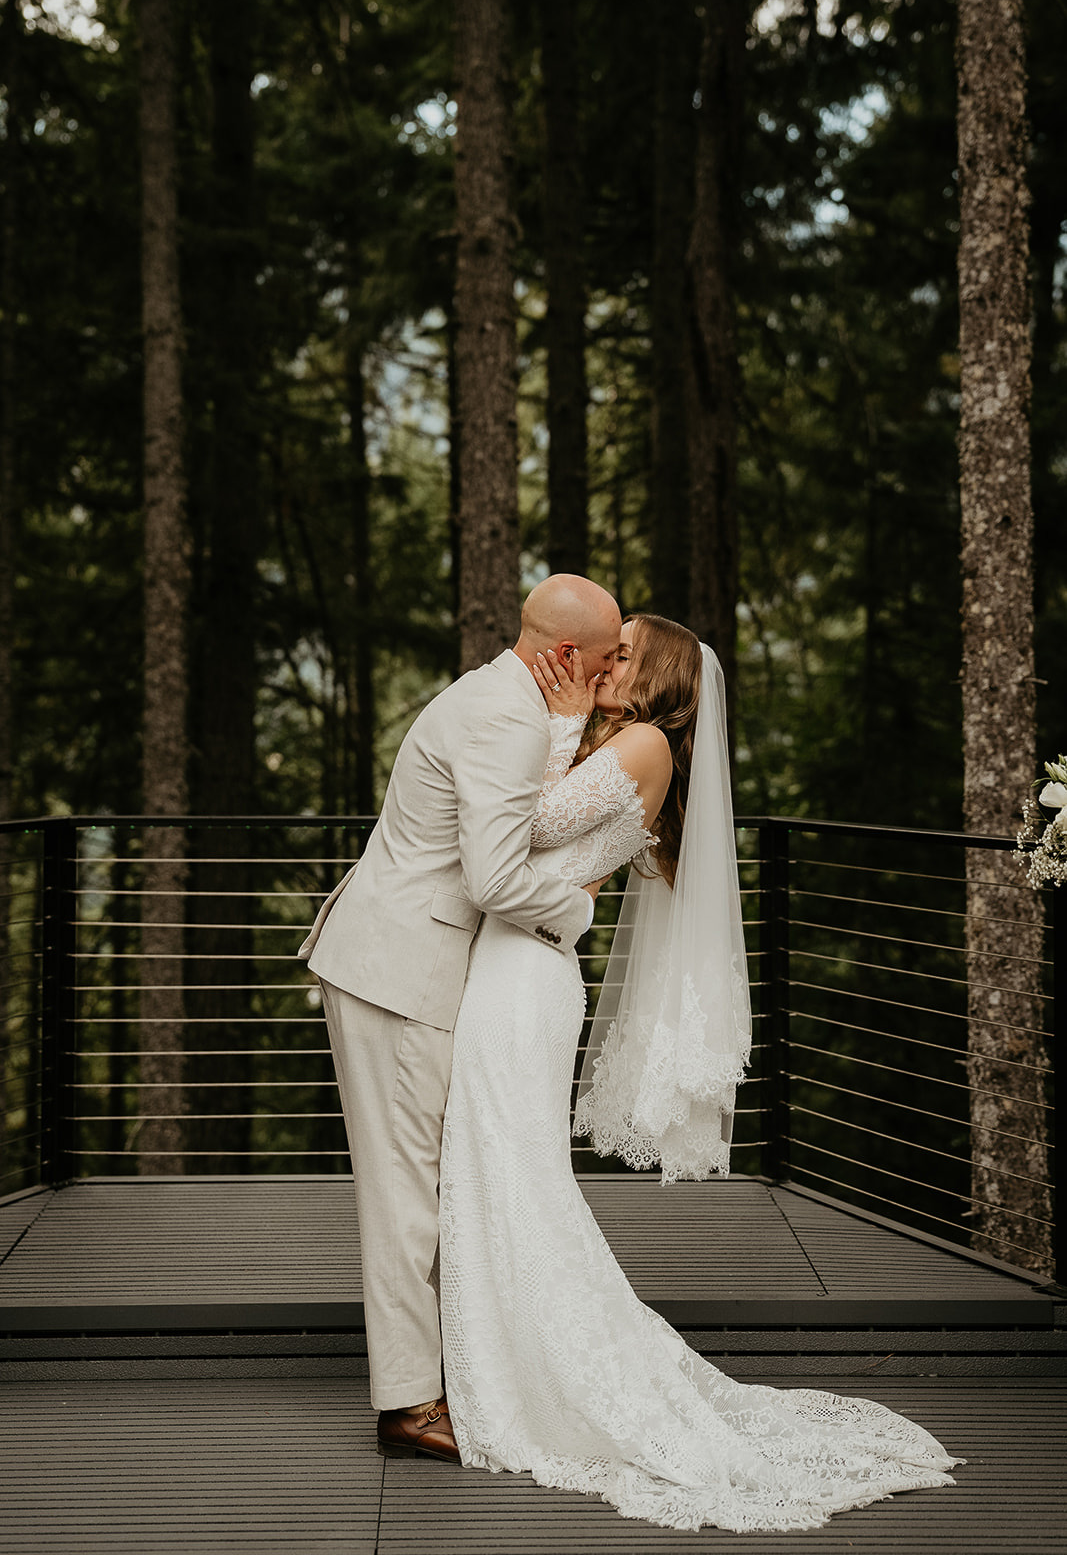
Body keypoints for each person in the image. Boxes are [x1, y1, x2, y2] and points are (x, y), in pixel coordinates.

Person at [438, 614, 962, 1534]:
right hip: (515, 965)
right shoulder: (628, 742)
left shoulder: (640, 742)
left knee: (512, 1170)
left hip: (522, 978)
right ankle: (502, 1358)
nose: (603, 665)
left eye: (625, 656)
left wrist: (556, 724)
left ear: (659, 680)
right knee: (495, 1166)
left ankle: (536, 1375)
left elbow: (517, 823)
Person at [299, 573, 622, 1462]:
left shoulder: (499, 693)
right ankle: (407, 1405)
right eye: (599, 663)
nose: (603, 680)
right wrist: (582, 914)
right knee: (407, 1194)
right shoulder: (508, 717)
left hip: (393, 956)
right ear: (565, 656)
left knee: (423, 1183)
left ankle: (432, 1375)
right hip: (400, 971)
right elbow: (493, 878)